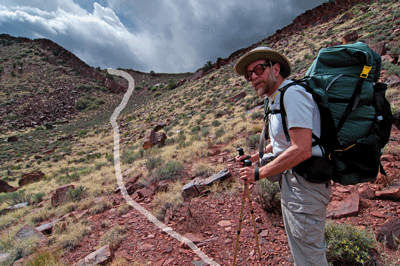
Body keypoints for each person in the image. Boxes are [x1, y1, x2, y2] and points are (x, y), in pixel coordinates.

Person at [234, 47, 331, 266]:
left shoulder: (293, 95)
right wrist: (255, 157)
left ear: (275, 68)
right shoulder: (276, 98)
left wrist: (258, 173)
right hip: (293, 183)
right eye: (249, 75)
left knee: (310, 258)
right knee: (302, 252)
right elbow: (282, 143)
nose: (253, 77)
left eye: (258, 69)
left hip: (305, 186)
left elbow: (302, 148)